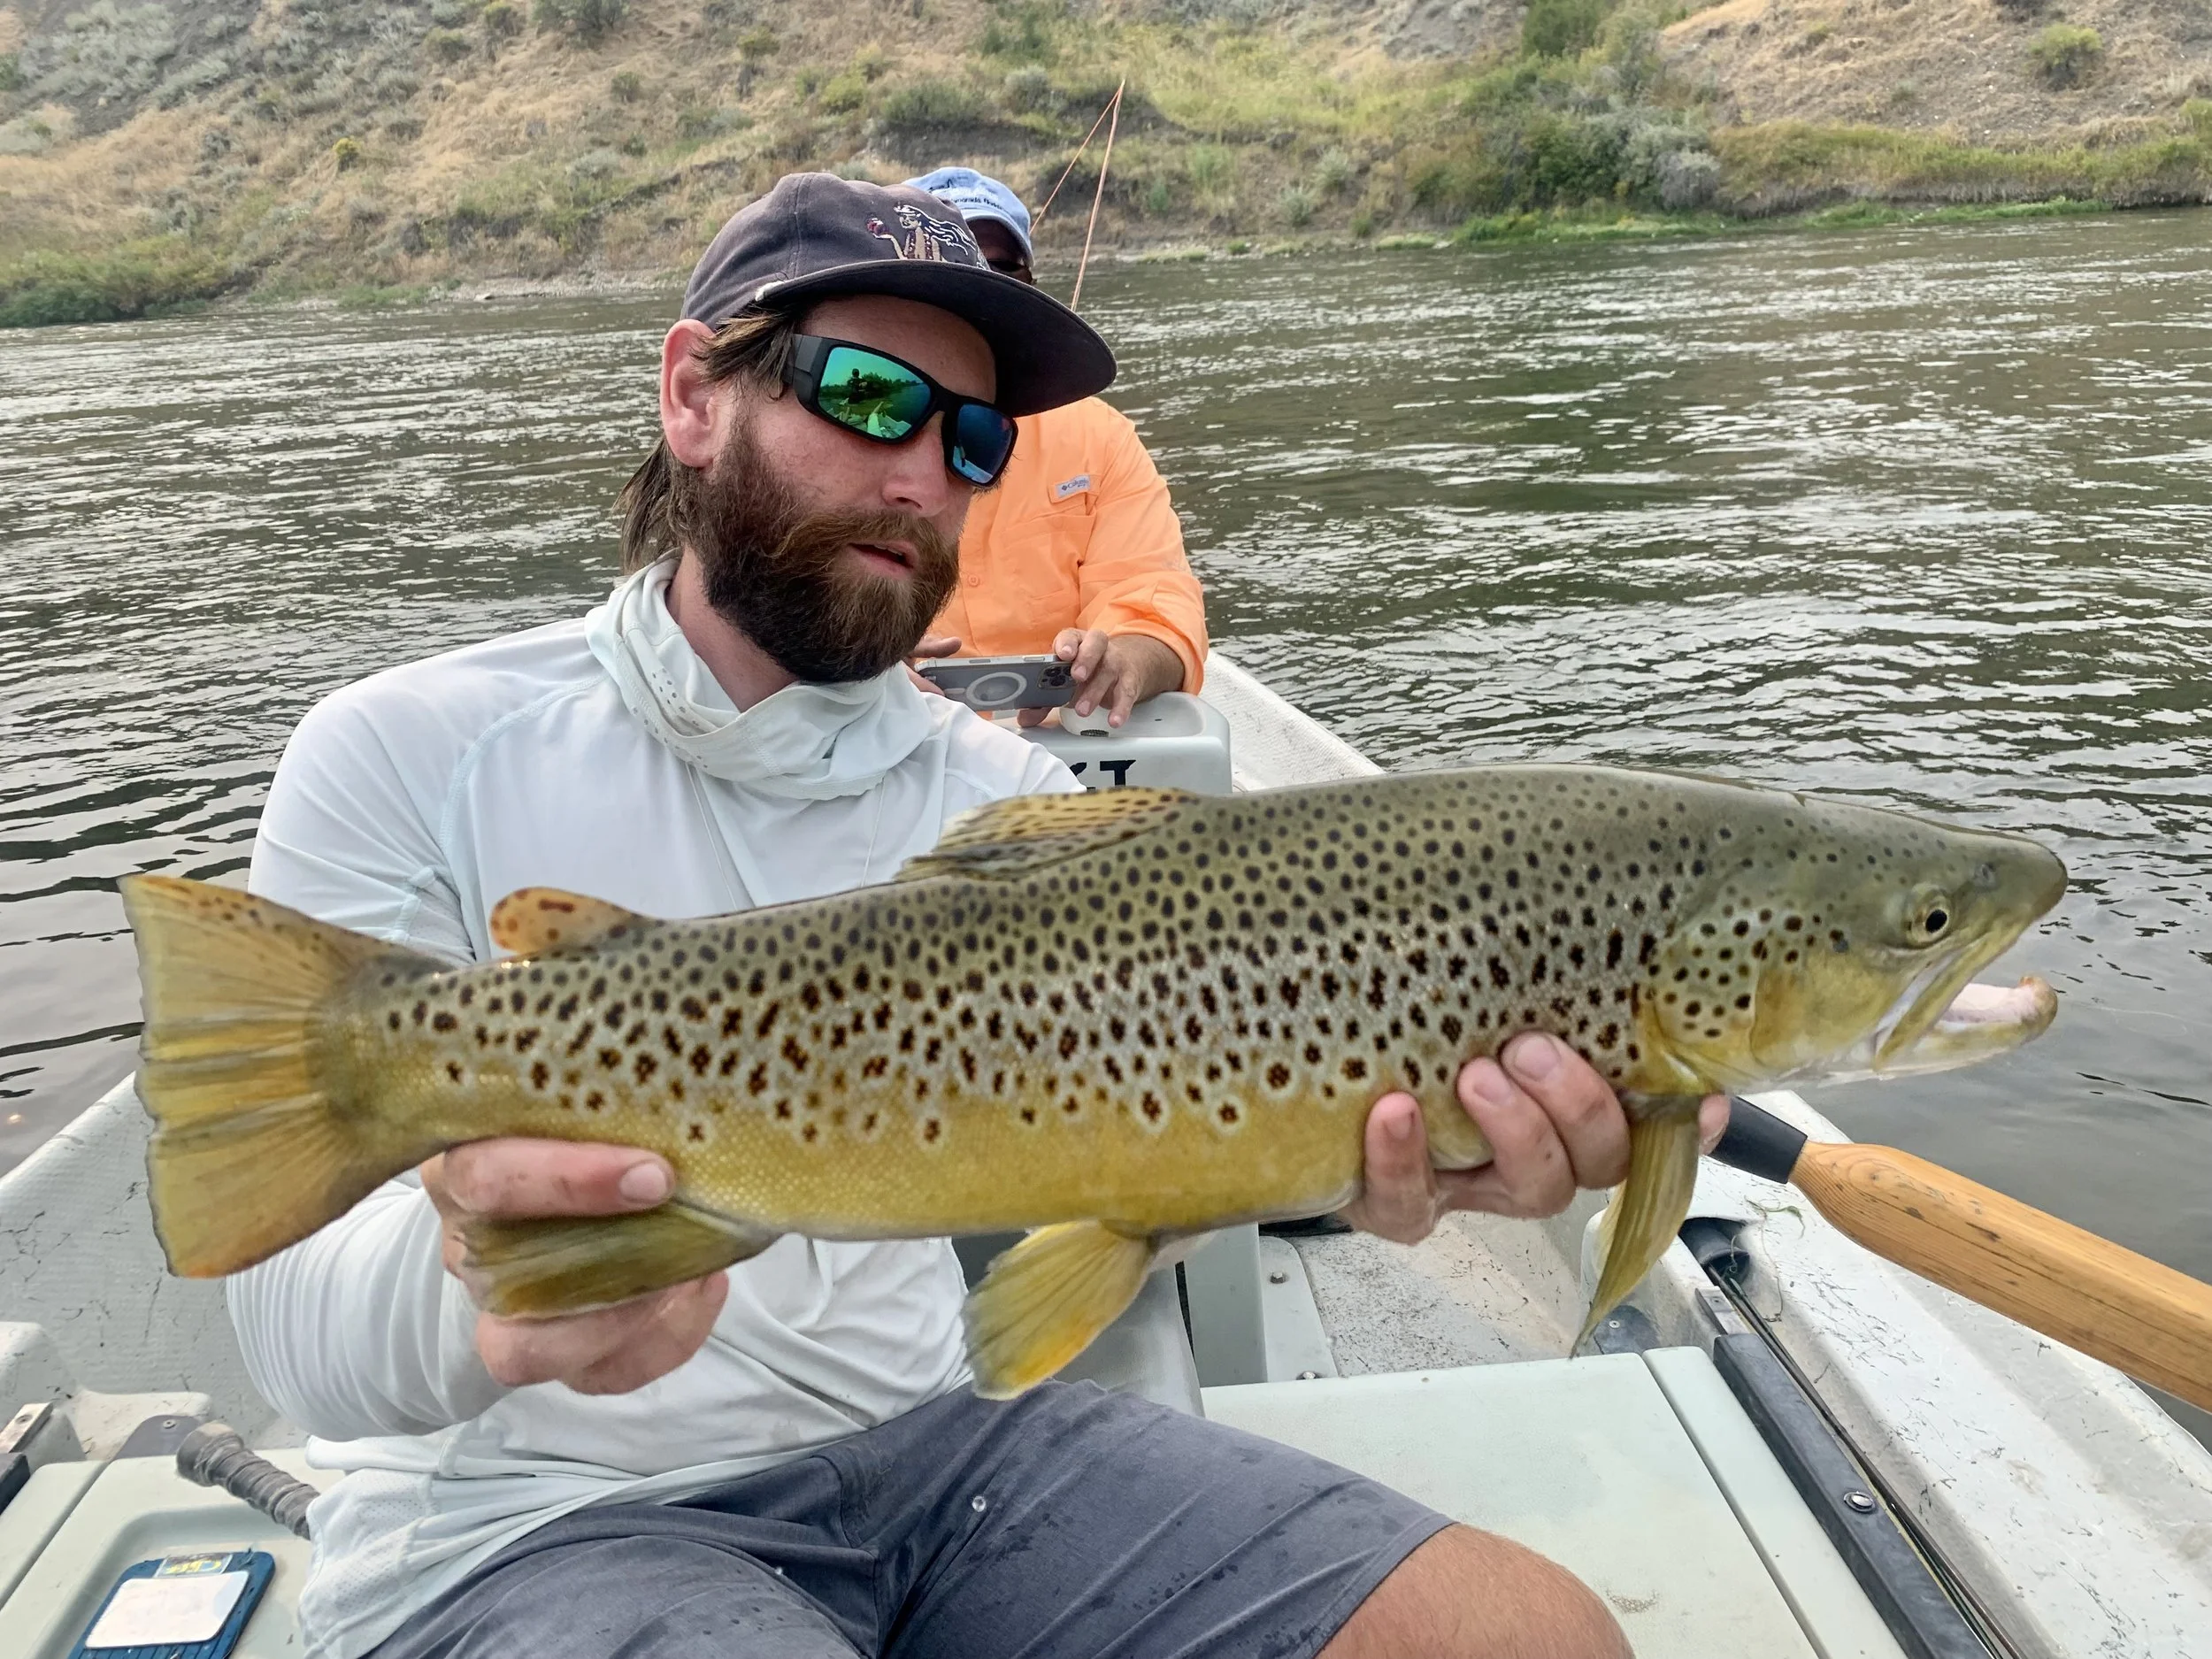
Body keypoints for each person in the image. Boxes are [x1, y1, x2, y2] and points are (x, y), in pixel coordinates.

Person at [224, 171, 1724, 1659]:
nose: (926, 475)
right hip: (533, 1520)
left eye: (977, 437)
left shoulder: (1008, 809)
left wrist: (1384, 1165)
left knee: (1530, 1635)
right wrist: (486, 1295)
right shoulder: (405, 748)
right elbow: (292, 1336)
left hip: (942, 1454)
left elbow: (1160, 1108)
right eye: (871, 397)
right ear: (695, 395)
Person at [904, 165, 1204, 728]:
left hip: (1068, 755)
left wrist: (1125, 659)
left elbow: (1154, 596)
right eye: (946, 267)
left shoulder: (1101, 437)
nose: (978, 290)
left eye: (998, 269)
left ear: (1030, 293)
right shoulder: (835, 433)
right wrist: (849, 671)